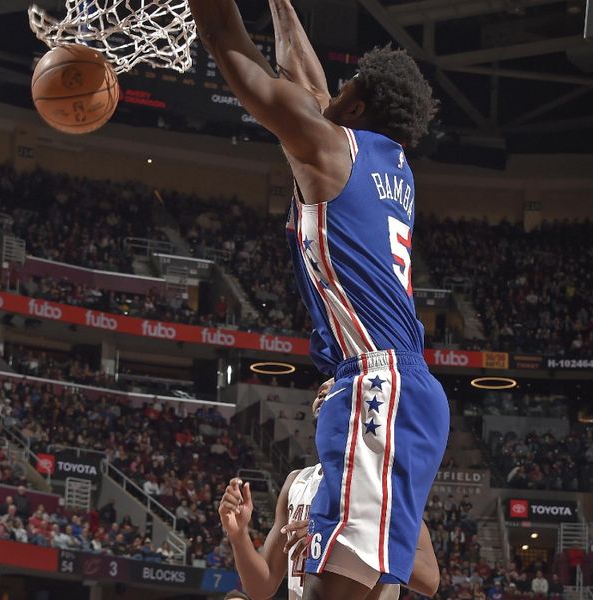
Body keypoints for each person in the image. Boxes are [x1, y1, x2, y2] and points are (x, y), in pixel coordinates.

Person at [189, 0, 447, 597]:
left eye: (344, 85)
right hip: (394, 386)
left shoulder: (329, 148)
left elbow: (228, 40)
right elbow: (306, 80)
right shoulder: (387, 164)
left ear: (352, 108)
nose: (323, 91)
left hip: (377, 386)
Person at [218, 383, 439, 600]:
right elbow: (262, 588)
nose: (324, 393)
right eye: (320, 392)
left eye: (336, 389)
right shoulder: (296, 482)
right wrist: (238, 535)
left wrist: (337, 535)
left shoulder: (384, 484)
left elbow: (429, 579)